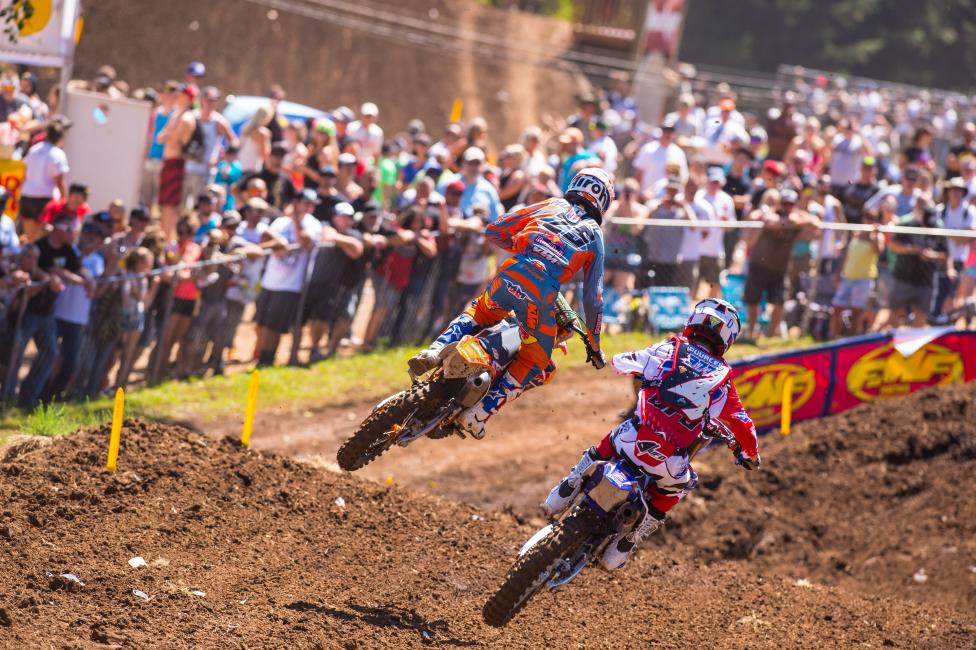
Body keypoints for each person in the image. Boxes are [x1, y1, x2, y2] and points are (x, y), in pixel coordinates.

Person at [543, 298, 760, 570]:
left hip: (633, 439)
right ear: (728, 338)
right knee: (677, 487)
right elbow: (742, 423)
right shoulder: (723, 379)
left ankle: (570, 483)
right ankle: (629, 541)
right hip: (667, 462)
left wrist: (644, 377)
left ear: (694, 321)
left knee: (609, 442)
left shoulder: (670, 348)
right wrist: (751, 454)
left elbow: (623, 362)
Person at [408, 167, 612, 439]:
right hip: (542, 292)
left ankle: (434, 351)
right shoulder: (594, 234)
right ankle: (478, 414)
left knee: (479, 311)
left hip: (511, 272)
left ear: (575, 184)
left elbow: (496, 228)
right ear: (604, 202)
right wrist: (595, 345)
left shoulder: (552, 204)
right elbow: (594, 298)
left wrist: (526, 250)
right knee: (535, 359)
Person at [157, 84, 199, 240]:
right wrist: (169, 132)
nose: (177, 98)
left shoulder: (187, 118)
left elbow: (174, 142)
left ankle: (167, 238)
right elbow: (160, 137)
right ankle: (163, 235)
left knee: (170, 205)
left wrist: (169, 132)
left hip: (177, 163)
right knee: (164, 204)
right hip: (168, 162)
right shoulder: (176, 115)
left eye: (181, 96)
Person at [20, 120, 70, 242]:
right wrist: (65, 202)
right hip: (45, 200)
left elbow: (25, 175)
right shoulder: (58, 154)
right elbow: (59, 181)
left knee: (30, 237)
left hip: (27, 196)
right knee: (42, 238)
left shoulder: (34, 149)